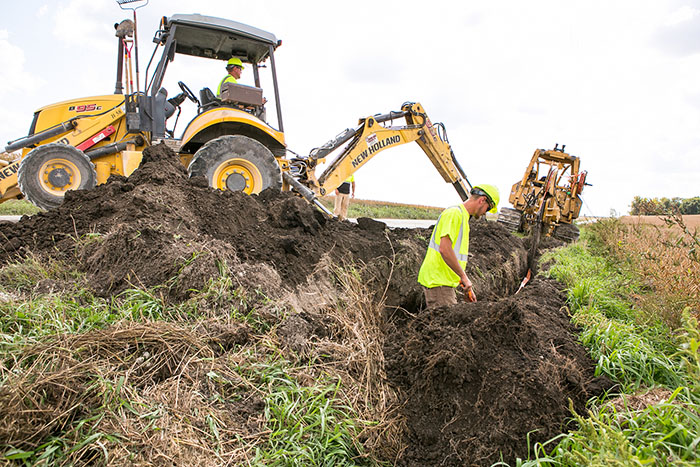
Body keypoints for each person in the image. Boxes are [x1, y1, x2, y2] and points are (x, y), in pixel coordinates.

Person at [417, 184, 500, 308]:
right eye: (487, 209)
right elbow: (445, 249)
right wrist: (464, 276)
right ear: (482, 200)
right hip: (439, 282)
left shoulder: (462, 217)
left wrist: (463, 282)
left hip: (443, 281)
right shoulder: (454, 214)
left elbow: (454, 254)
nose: (484, 213)